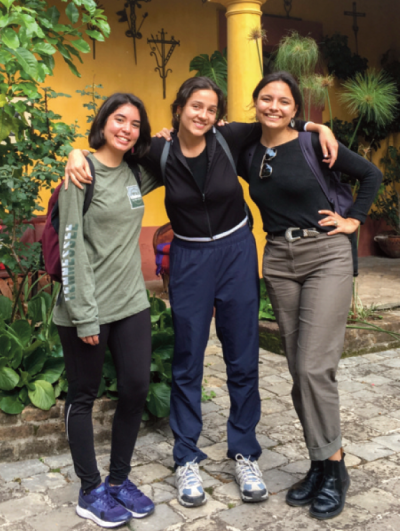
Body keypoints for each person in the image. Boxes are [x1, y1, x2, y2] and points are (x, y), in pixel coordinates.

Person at [64, 76, 337, 509]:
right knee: (188, 359)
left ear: (219, 115)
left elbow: (276, 120)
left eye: (211, 109)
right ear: (179, 108)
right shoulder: (158, 149)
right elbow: (111, 150)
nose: (203, 116)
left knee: (243, 357)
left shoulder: (230, 137)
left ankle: (245, 453)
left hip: (236, 251)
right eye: (195, 107)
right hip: (189, 258)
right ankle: (186, 457)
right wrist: (74, 153)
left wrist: (315, 127)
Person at [237, 71, 382, 520]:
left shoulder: (315, 143)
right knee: (300, 370)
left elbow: (370, 175)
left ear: (295, 109)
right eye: (266, 98)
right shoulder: (248, 151)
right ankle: (319, 463)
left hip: (326, 254)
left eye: (284, 101)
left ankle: (335, 467)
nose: (274, 106)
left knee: (317, 366)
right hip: (279, 257)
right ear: (256, 102)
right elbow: (210, 132)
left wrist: (354, 220)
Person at [53, 93, 157, 528]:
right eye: (120, 120)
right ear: (104, 122)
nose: (127, 129)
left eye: (135, 124)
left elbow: (183, 149)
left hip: (131, 302)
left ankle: (117, 481)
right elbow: (70, 245)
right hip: (88, 308)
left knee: (134, 388)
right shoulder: (82, 174)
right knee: (84, 396)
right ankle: (89, 489)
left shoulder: (135, 172)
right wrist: (84, 314)